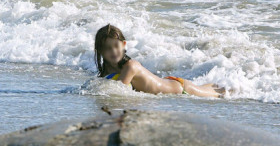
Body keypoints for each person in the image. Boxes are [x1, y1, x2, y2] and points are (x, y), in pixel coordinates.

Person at [94, 24, 226, 98]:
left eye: (116, 46)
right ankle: (218, 84)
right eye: (107, 48)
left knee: (220, 94)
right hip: (168, 83)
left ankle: (237, 87)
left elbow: (117, 91)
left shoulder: (131, 66)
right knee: (209, 88)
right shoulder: (108, 70)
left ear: (123, 45)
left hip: (180, 89)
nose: (113, 51)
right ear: (100, 51)